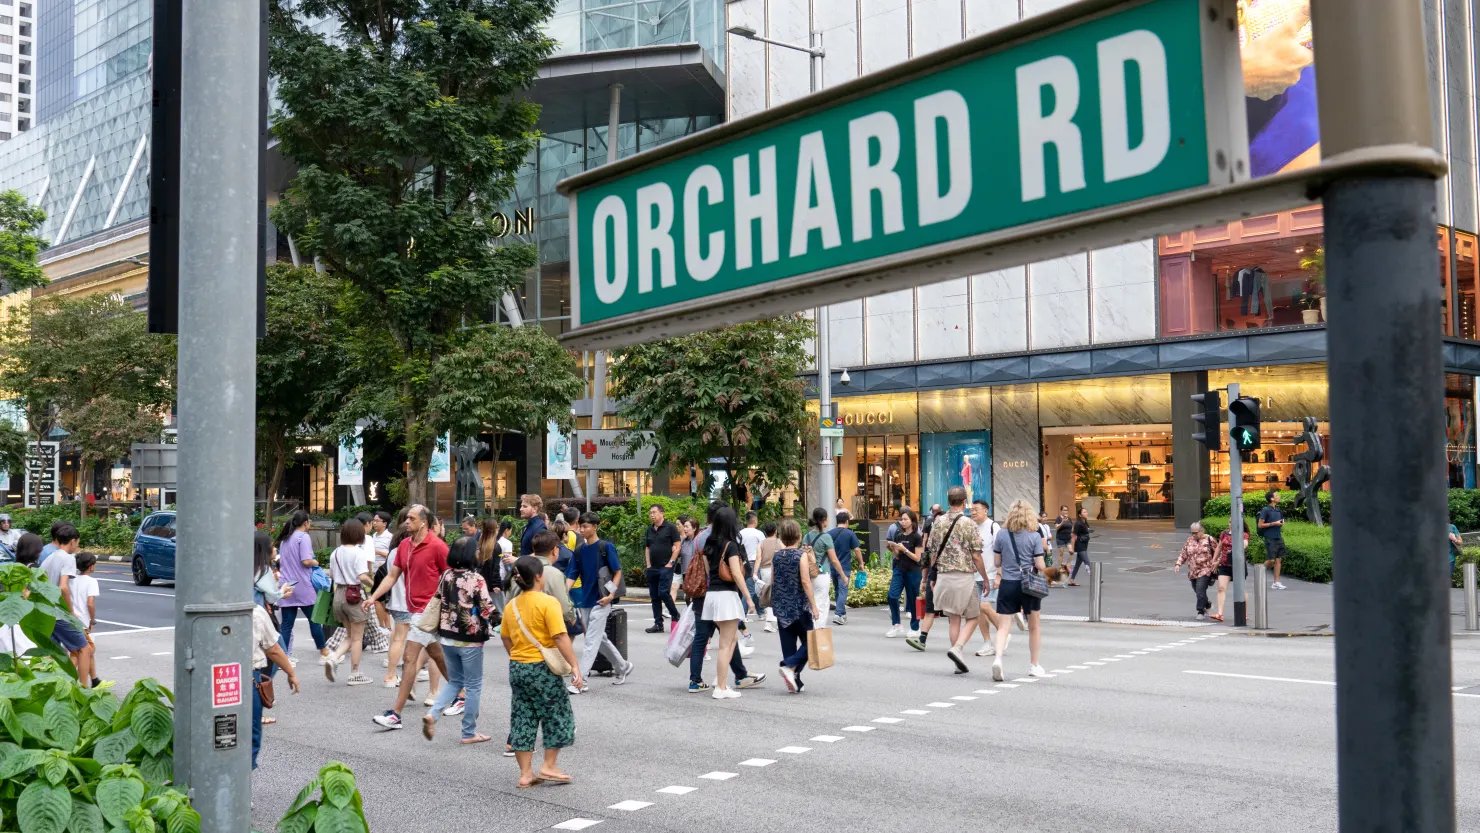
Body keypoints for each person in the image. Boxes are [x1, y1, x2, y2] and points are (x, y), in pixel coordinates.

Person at [366, 505, 450, 730]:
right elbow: (392, 576)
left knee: (410, 658)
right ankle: (461, 695)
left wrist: (445, 606)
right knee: (437, 655)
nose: (406, 522)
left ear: (424, 522)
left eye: (412, 518)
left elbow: (450, 576)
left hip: (428, 612)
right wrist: (373, 597)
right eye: (407, 518)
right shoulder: (404, 545)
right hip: (414, 611)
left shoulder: (437, 546)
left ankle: (396, 714)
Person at [502, 555, 582, 788]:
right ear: (538, 576)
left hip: (518, 667)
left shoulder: (511, 605)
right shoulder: (548, 602)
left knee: (523, 717)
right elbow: (559, 636)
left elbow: (505, 637)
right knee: (557, 714)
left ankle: (525, 773)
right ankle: (549, 765)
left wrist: (517, 656)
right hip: (542, 668)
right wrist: (574, 665)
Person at [423, 537, 496, 745]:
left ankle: (433, 714)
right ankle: (468, 732)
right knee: (473, 685)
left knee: (455, 681)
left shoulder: (446, 575)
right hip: (470, 639)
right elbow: (487, 608)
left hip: (447, 636)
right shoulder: (476, 579)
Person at [564, 512, 633, 692]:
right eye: (580, 526)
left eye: (585, 526)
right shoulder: (579, 550)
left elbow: (617, 571)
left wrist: (611, 595)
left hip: (602, 600)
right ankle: (623, 666)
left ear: (595, 527)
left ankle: (581, 681)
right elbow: (572, 573)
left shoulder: (606, 547)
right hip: (585, 600)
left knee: (591, 641)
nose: (582, 529)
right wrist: (564, 592)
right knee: (599, 638)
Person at [701, 506, 762, 699]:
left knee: (732, 639)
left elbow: (708, 571)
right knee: (725, 644)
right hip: (726, 596)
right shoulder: (731, 545)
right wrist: (749, 598)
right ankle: (721, 687)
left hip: (712, 595)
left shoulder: (709, 544)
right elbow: (736, 573)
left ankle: (720, 679)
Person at [925, 487, 986, 674]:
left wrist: (932, 576)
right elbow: (976, 555)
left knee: (954, 619)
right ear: (964, 502)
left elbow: (932, 552)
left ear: (949, 501)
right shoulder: (968, 523)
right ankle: (958, 648)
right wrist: (985, 578)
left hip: (944, 575)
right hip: (964, 576)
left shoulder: (938, 522)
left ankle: (957, 661)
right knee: (974, 616)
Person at [990, 499, 1050, 681]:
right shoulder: (1034, 536)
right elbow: (1040, 565)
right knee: (1034, 626)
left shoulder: (1001, 534)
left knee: (1003, 626)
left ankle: (998, 658)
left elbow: (997, 562)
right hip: (1028, 584)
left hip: (1008, 583)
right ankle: (1034, 665)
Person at [323, 518, 374, 685]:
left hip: (339, 595)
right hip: (354, 596)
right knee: (357, 638)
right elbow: (362, 576)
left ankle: (333, 658)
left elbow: (332, 574)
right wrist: (375, 585)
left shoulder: (335, 552)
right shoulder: (359, 553)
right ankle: (355, 673)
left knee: (350, 635)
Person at [770, 519, 818, 692]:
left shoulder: (776, 556)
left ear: (782, 537)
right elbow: (805, 581)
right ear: (799, 536)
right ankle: (789, 666)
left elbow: (773, 580)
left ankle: (794, 682)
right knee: (811, 643)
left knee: (788, 645)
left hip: (781, 607)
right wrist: (814, 605)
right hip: (799, 607)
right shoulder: (800, 555)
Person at [252, 601, 300, 769]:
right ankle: (242, 777)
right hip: (248, 678)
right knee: (251, 734)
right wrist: (291, 673)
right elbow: (273, 649)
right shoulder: (255, 612)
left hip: (212, 680)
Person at [275, 511, 327, 664]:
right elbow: (306, 561)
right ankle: (324, 652)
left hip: (286, 585)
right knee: (314, 620)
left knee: (286, 625)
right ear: (305, 523)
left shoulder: (285, 539)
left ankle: (283, 657)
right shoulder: (303, 537)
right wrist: (316, 562)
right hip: (302, 585)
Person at [40, 524, 89, 680]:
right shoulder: (68, 558)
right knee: (84, 648)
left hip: (46, 613)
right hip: (59, 613)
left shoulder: (49, 558)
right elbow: (63, 587)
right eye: (78, 542)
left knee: (52, 654)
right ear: (73, 541)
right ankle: (84, 688)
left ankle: (52, 685)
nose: (77, 546)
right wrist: (70, 612)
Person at [970, 499, 1011, 657]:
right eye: (972, 510)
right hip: (975, 575)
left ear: (986, 510)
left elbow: (1001, 552)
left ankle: (1003, 632)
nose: (973, 512)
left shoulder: (994, 527)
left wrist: (999, 575)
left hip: (992, 574)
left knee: (984, 606)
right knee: (978, 610)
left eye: (976, 509)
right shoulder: (971, 527)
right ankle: (987, 642)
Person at [642, 504, 682, 633]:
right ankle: (658, 624)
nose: (652, 515)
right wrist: (648, 564)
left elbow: (677, 546)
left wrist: (671, 562)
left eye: (654, 512)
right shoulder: (649, 529)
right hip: (652, 568)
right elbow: (647, 548)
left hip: (666, 567)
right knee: (654, 596)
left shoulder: (670, 528)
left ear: (661, 513)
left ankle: (675, 614)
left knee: (663, 592)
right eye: (650, 513)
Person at [885, 508, 924, 638]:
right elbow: (897, 555)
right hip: (899, 568)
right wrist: (892, 548)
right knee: (892, 596)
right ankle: (896, 624)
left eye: (905, 519)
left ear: (912, 521)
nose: (903, 521)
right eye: (901, 519)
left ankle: (915, 627)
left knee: (913, 600)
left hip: (913, 570)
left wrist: (905, 550)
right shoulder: (898, 535)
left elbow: (918, 558)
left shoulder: (917, 537)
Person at [1174, 522, 1219, 620]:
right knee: (1198, 591)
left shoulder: (1209, 539)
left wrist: (1216, 563)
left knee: (1200, 590)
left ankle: (1200, 611)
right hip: (1193, 571)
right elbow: (1183, 553)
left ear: (1201, 531)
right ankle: (1207, 604)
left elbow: (1218, 551)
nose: (1194, 535)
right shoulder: (1189, 540)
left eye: (1196, 533)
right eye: (1192, 533)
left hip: (1205, 569)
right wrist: (1178, 564)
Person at [802, 508, 836, 629]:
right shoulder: (826, 537)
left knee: (811, 601)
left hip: (808, 573)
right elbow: (833, 559)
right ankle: (817, 630)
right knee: (822, 602)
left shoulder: (807, 536)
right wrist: (842, 575)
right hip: (822, 574)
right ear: (823, 520)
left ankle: (811, 628)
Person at [69, 552, 100, 687]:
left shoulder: (71, 580)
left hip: (71, 619)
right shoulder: (91, 582)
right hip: (82, 621)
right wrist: (92, 619)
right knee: (82, 652)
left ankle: (95, 680)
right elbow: (90, 603)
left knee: (84, 650)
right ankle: (69, 681)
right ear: (91, 566)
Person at [829, 512, 862, 625]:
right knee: (843, 591)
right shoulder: (850, 534)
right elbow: (857, 549)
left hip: (832, 567)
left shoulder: (829, 534)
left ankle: (842, 614)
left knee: (838, 590)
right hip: (844, 567)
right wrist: (861, 563)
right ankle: (838, 614)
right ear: (847, 521)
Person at [1212, 525, 1250, 622]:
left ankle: (1244, 614)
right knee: (1221, 588)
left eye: (1232, 522)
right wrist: (1214, 560)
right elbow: (1219, 547)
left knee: (1241, 589)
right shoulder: (1224, 534)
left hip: (1238, 565)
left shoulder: (1243, 534)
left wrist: (1242, 545)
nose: (1231, 524)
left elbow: (1245, 544)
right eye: (1229, 522)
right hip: (1225, 564)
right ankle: (1220, 613)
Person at [1257, 490, 1288, 589]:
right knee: (1271, 560)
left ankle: (1276, 582)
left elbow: (1280, 522)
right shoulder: (1265, 510)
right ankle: (1259, 571)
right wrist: (1274, 523)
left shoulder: (1278, 510)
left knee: (1279, 560)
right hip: (1270, 538)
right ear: (1271, 498)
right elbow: (1260, 525)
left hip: (1278, 537)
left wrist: (1281, 523)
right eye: (1276, 495)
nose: (1279, 496)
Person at [756, 522, 781, 632]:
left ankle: (769, 622)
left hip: (764, 570)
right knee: (778, 595)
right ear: (775, 531)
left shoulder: (761, 543)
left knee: (768, 595)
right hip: (777, 570)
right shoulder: (780, 542)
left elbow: (758, 558)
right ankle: (777, 622)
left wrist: (754, 572)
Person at [1068, 507, 1093, 586]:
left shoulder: (1085, 522)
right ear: (1080, 515)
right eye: (1084, 512)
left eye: (1086, 512)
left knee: (1077, 564)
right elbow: (1073, 536)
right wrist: (1072, 548)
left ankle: (1071, 580)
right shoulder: (1078, 523)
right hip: (1080, 546)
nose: (1086, 513)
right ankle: (1095, 577)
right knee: (1087, 562)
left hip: (1084, 545)